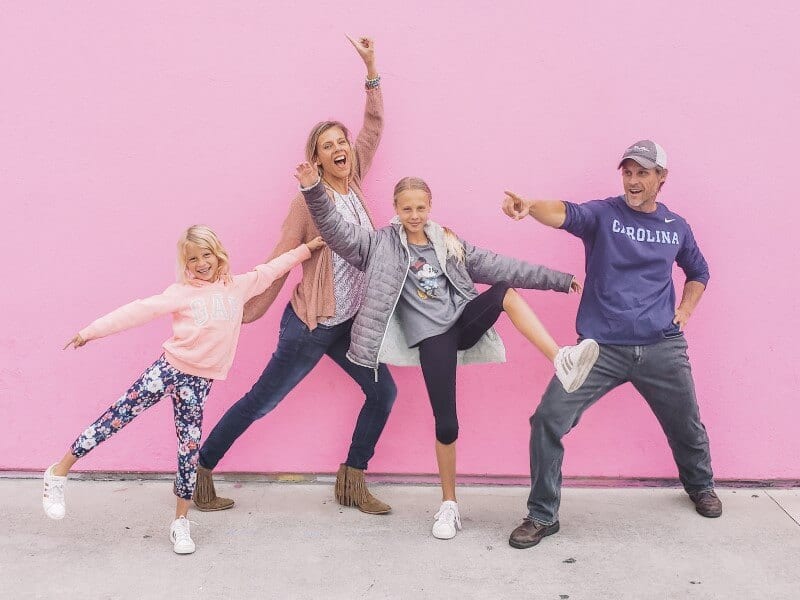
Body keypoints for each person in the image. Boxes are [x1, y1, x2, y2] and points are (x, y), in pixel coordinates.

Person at [295, 164, 600, 540]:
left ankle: (561, 358)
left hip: (461, 322)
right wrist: (313, 189)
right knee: (447, 423)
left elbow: (498, 264)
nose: (414, 215)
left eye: (421, 208)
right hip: (431, 339)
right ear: (395, 208)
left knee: (504, 288)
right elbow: (335, 229)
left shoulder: (447, 242)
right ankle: (449, 505)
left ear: (430, 206)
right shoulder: (378, 245)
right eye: (407, 209)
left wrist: (559, 280)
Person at [193, 36, 398, 516]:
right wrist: (240, 310)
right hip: (311, 325)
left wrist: (371, 68)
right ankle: (199, 472)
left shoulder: (356, 178)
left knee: (383, 392)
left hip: (352, 325)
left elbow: (373, 126)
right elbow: (282, 257)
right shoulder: (310, 203)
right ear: (319, 159)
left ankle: (352, 481)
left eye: (341, 141)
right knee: (263, 401)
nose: (339, 148)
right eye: (328, 147)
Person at [43, 225, 322, 554]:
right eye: (193, 258)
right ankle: (58, 473)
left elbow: (274, 267)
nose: (201, 263)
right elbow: (137, 310)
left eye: (206, 255)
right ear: (185, 263)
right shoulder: (181, 292)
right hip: (167, 370)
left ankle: (180, 524)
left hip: (198, 386)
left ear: (218, 254)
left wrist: (308, 248)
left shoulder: (237, 287)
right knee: (115, 418)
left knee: (188, 453)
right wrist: (91, 331)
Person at [503, 139, 720, 550]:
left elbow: (699, 271)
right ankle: (542, 515)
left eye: (642, 172)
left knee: (686, 424)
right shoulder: (604, 214)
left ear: (661, 178)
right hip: (599, 349)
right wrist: (531, 207)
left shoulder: (676, 227)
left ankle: (701, 486)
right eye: (628, 172)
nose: (633, 180)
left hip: (661, 346)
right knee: (548, 418)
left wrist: (686, 311)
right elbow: (565, 212)